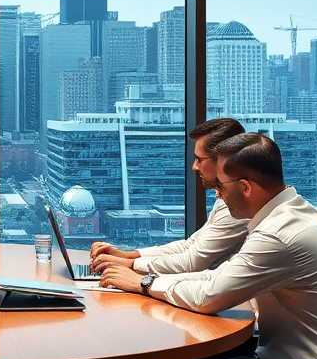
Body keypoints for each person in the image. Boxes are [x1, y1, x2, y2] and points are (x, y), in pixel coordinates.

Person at [99, 133, 317, 359]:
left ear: (245, 187)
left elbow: (208, 296)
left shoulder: (278, 235)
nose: (217, 194)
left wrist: (144, 283)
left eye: (220, 186)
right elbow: (217, 278)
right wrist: (143, 279)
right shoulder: (288, 215)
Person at [90, 117, 248, 277]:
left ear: (222, 160)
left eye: (199, 159)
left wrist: (130, 265)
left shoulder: (238, 205)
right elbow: (191, 246)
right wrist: (128, 255)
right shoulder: (224, 198)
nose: (194, 166)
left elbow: (193, 261)